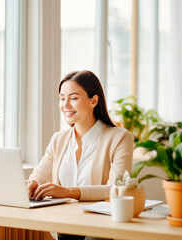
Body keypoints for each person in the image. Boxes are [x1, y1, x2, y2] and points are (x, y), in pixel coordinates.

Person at [26, 70, 134, 240]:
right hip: (64, 227)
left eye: (73, 98)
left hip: (99, 229)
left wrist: (68, 192)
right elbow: (38, 178)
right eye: (62, 98)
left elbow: (117, 189)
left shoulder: (120, 137)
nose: (65, 105)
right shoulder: (58, 139)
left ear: (94, 101)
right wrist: (31, 185)